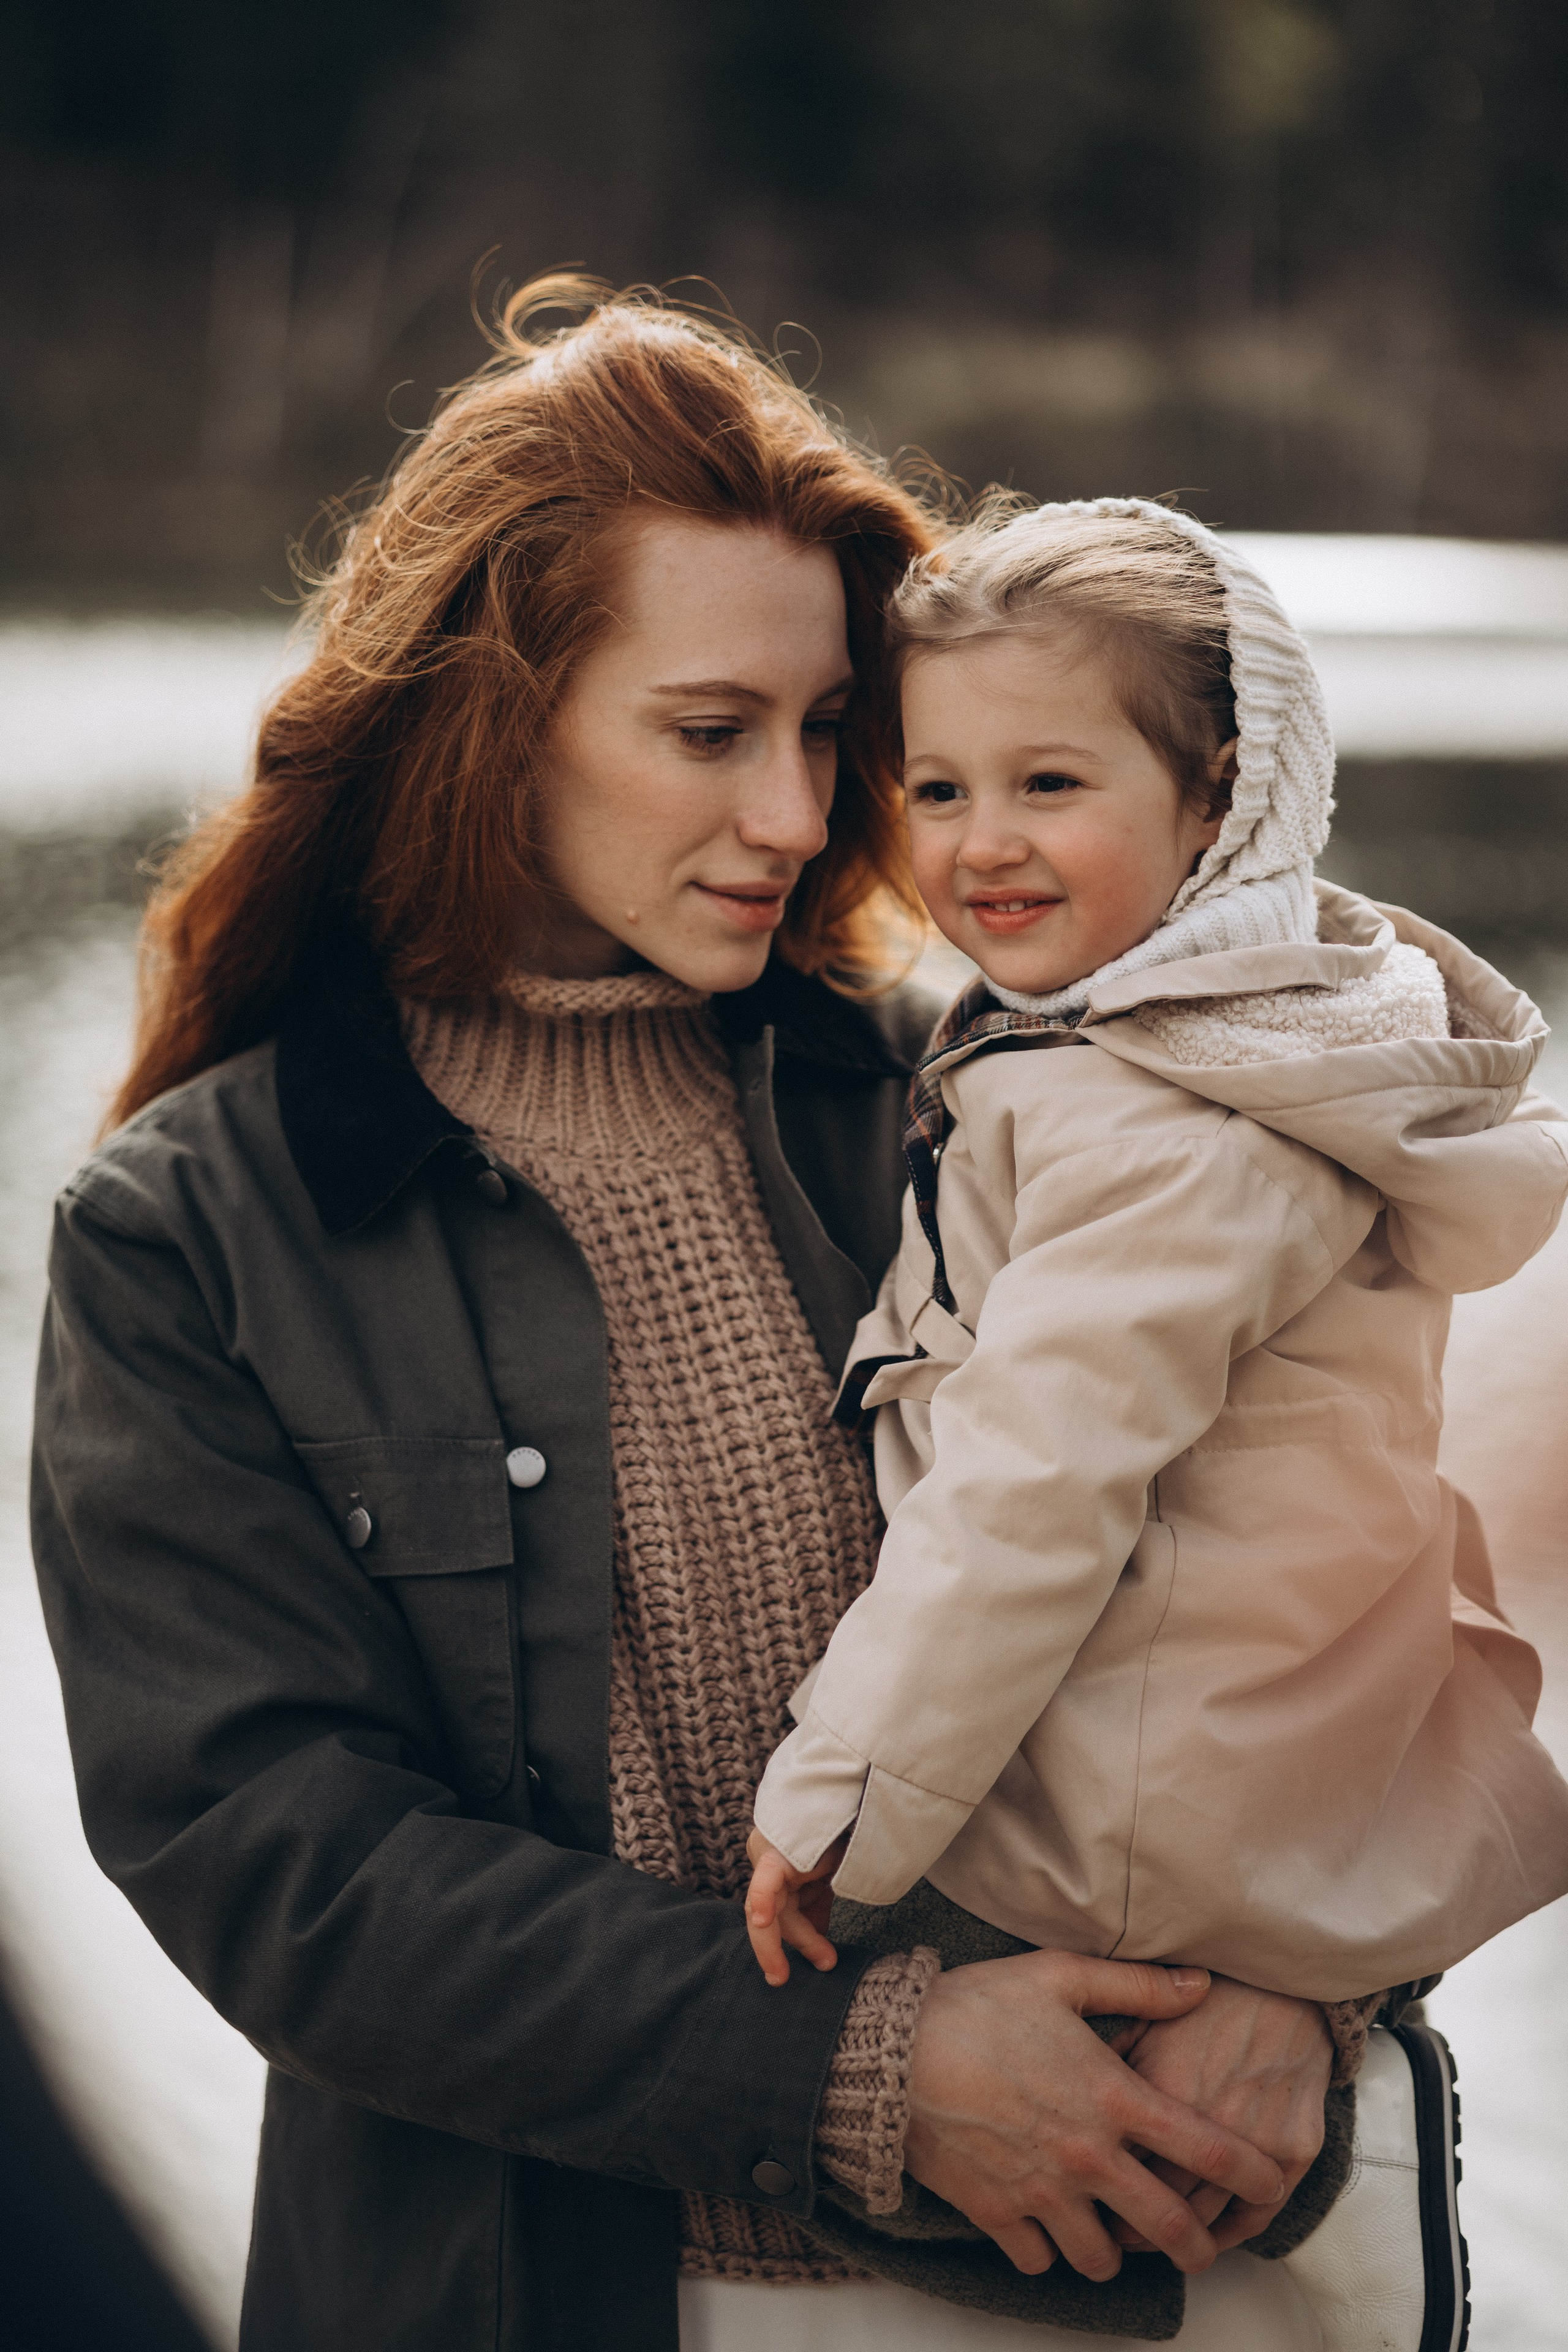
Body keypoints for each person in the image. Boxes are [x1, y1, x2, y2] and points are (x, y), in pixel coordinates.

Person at [34, 286, 1366, 2352]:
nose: (794, 812)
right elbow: (270, 1859)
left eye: (831, 730)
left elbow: (1343, 1555)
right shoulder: (194, 1230)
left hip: (1118, 2288)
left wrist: (1326, 1992)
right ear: (491, 715)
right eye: (708, 730)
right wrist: (861, 2069)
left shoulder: (988, 1098)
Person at [746, 499, 1568, 2340]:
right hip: (1250, 1792)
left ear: (1217, 800)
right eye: (937, 789)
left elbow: (1033, 1494)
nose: (980, 847)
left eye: (1050, 781)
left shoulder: (1175, 1130)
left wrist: (842, 1802)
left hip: (1125, 1843)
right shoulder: (1207, 1039)